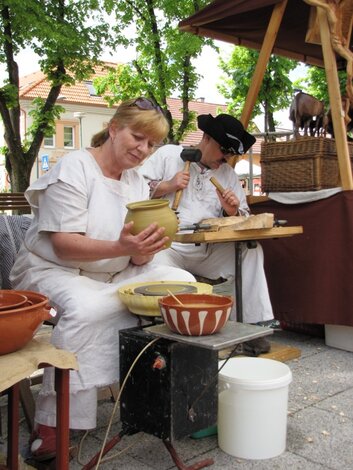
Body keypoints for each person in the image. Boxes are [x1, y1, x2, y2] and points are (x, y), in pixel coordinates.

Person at [10, 97, 195, 460]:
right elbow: (64, 245)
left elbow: (136, 253)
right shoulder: (75, 167)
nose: (143, 149)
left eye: (151, 144)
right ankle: (55, 421)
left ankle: (153, 396)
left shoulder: (136, 180)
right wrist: (122, 246)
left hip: (112, 269)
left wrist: (146, 248)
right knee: (90, 308)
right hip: (53, 270)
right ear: (114, 128)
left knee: (180, 282)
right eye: (137, 137)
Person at [139, 113, 277, 328]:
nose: (226, 158)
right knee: (152, 262)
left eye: (230, 154)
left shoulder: (228, 174)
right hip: (169, 247)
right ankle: (169, 327)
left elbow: (245, 218)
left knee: (250, 249)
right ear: (206, 137)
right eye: (224, 150)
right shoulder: (169, 155)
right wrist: (168, 186)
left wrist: (231, 212)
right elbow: (135, 191)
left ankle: (252, 325)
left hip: (208, 250)